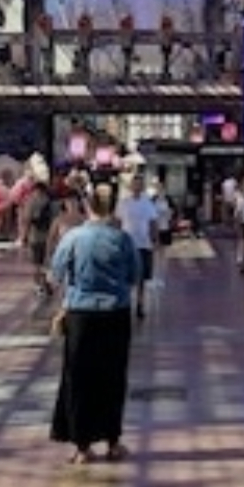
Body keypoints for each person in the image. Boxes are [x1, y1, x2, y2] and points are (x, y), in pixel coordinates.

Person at [46, 182, 141, 463]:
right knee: (112, 377)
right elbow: (136, 275)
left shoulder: (74, 237)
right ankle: (112, 441)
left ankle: (81, 445)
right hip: (115, 314)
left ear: (87, 206)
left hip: (80, 315)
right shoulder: (123, 239)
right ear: (113, 208)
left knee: (79, 377)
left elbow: (56, 272)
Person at [116, 172, 164, 317]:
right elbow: (118, 222)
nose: (137, 187)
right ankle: (126, 302)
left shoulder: (148, 203)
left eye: (139, 184)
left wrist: (155, 241)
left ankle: (140, 303)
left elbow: (153, 223)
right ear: (131, 186)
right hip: (127, 244)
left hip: (144, 244)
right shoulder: (123, 203)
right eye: (134, 184)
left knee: (142, 277)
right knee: (126, 276)